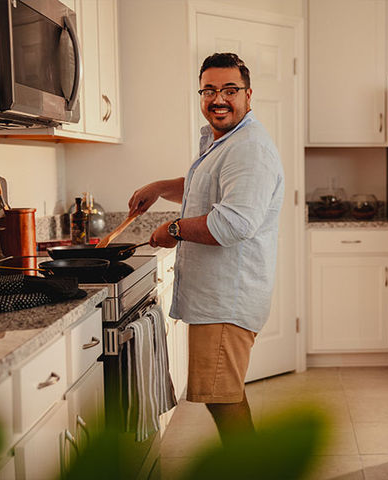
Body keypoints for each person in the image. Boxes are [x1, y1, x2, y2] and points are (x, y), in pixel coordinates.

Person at [127, 52, 284, 443]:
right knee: (223, 393)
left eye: (230, 90)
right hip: (220, 296)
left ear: (248, 96)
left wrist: (174, 228)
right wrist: (163, 187)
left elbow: (233, 223)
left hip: (226, 298)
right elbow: (210, 186)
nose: (219, 98)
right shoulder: (226, 142)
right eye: (210, 89)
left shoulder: (248, 147)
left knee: (223, 397)